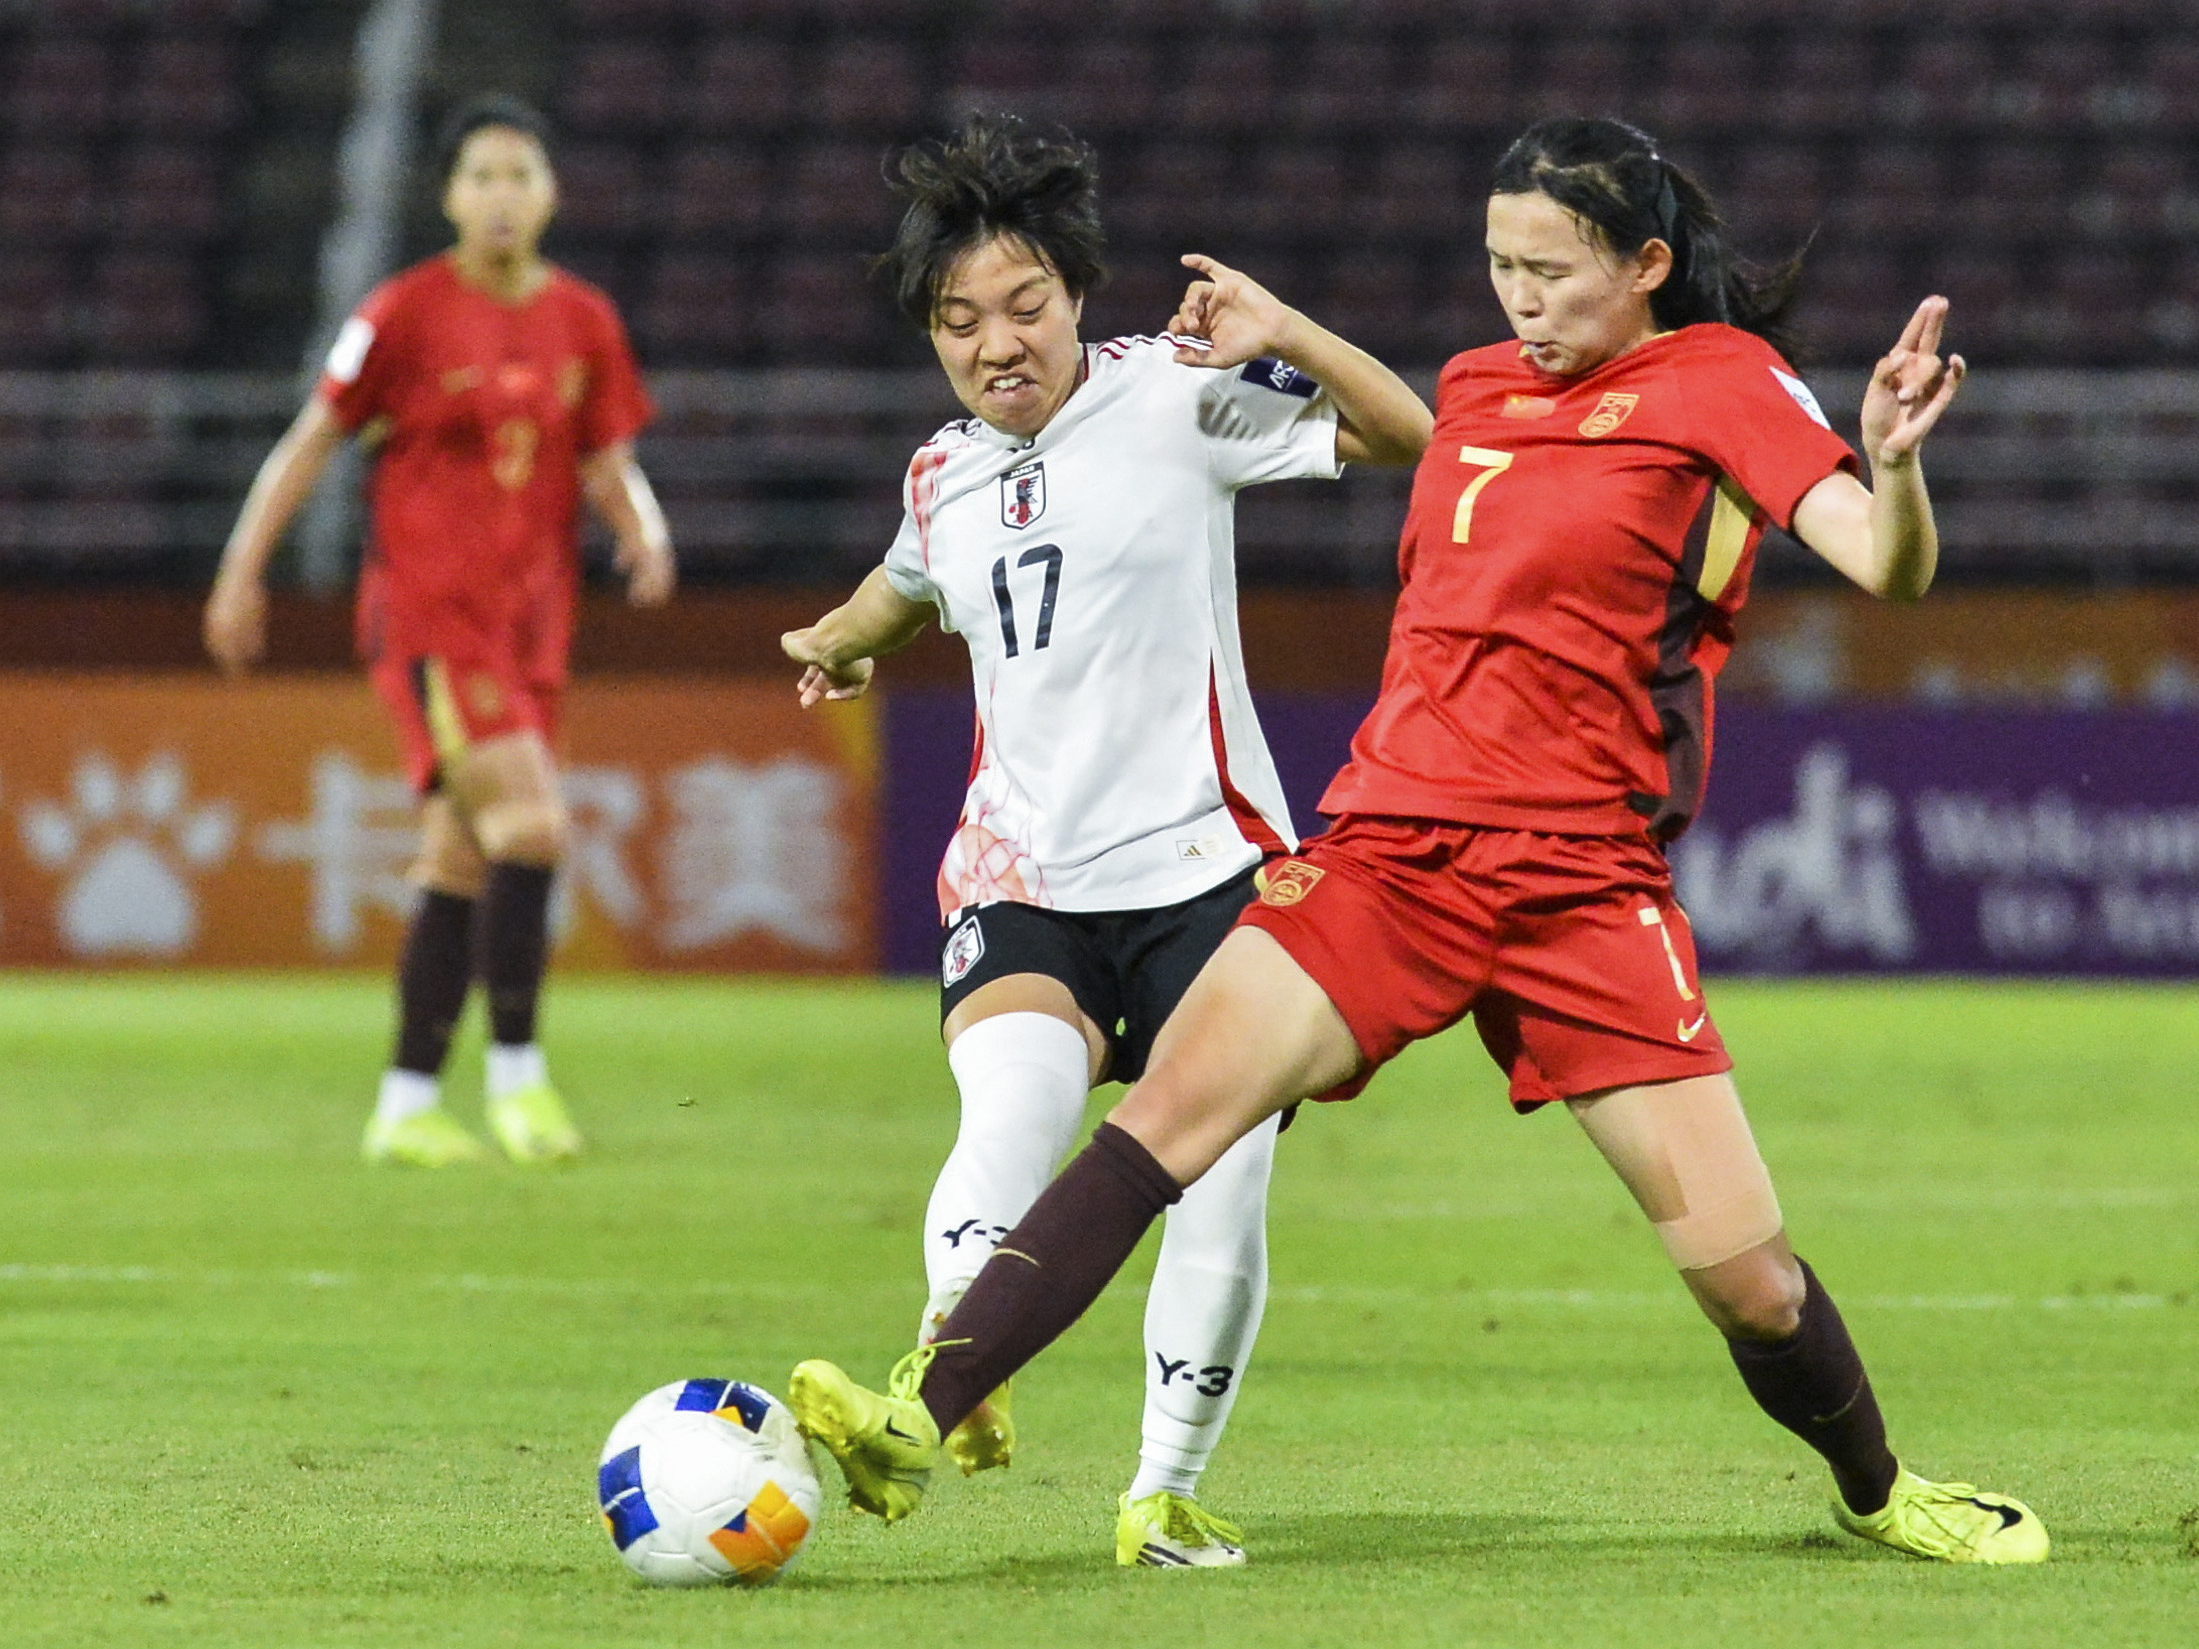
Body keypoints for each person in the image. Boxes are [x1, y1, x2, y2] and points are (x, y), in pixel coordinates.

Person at [786, 117, 2050, 1567]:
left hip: (1581, 885)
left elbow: (1884, 565)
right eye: (1501, 266)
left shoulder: (1720, 381)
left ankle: (1879, 1489)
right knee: (1165, 1119)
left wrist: (1891, 464)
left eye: (1550, 271)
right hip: (1389, 853)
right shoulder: (1476, 385)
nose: (1520, 299)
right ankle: (920, 1412)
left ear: (1644, 264)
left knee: (1749, 1282)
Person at [779, 114, 1431, 1566]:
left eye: (1023, 305)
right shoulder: (940, 473)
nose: (995, 343)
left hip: (1212, 875)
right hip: (1024, 879)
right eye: (959, 322)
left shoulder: (1177, 396)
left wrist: (1285, 330)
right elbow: (905, 585)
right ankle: (948, 1376)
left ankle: (1161, 1490)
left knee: (1222, 1177)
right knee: (1006, 1115)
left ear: (1076, 295)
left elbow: (1409, 436)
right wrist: (841, 637)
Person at [203, 94, 673, 1168]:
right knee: (533, 829)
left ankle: (406, 1101)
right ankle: (519, 1081)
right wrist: (241, 568)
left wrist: (643, 530)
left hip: (533, 625)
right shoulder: (404, 312)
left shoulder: (583, 319)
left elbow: (605, 456)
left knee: (460, 858)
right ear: (451, 196)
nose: (501, 195)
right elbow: (311, 441)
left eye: (520, 174)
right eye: (481, 176)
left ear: (550, 193)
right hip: (430, 619)